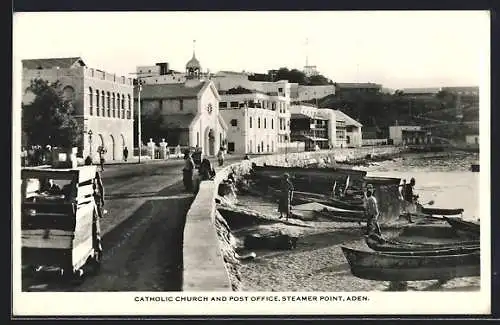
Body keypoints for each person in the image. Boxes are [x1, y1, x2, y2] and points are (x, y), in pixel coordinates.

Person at [84, 158, 104, 254]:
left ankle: (94, 245)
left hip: (87, 199)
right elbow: (100, 186)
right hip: (94, 199)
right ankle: (97, 245)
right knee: (95, 223)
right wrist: (102, 198)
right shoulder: (94, 172)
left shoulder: (84, 172)